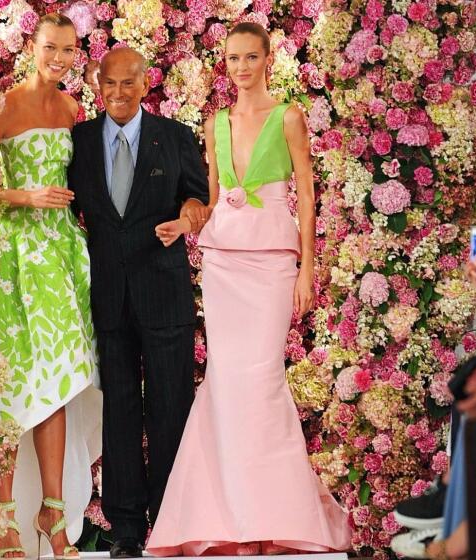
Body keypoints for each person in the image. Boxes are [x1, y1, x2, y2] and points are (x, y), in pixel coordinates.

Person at [146, 23, 350, 556]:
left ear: (267, 60)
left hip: (273, 264)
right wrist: (184, 225)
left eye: (250, 57)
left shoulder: (289, 117)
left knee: (261, 384)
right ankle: (228, 523)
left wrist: (308, 268)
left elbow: (307, 196)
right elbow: (212, 201)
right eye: (233, 58)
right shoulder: (215, 123)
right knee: (225, 386)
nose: (241, 67)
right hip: (222, 264)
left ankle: (274, 520)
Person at [67, 47, 210, 558]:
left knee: (170, 408)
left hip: (164, 292)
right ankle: (126, 530)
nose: (119, 94)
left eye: (129, 84)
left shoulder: (173, 137)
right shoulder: (79, 141)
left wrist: (190, 215)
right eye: (110, 84)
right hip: (108, 297)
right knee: (121, 412)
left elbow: (199, 198)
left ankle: (171, 521)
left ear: (145, 83)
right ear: (97, 83)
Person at [0, 13, 101, 560]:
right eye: (50, 47)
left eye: (69, 48)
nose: (59, 57)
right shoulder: (2, 106)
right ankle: (3, 517)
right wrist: (24, 196)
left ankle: (53, 512)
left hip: (62, 254)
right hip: (13, 254)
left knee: (59, 378)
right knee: (11, 375)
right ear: (31, 48)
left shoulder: (72, 109)